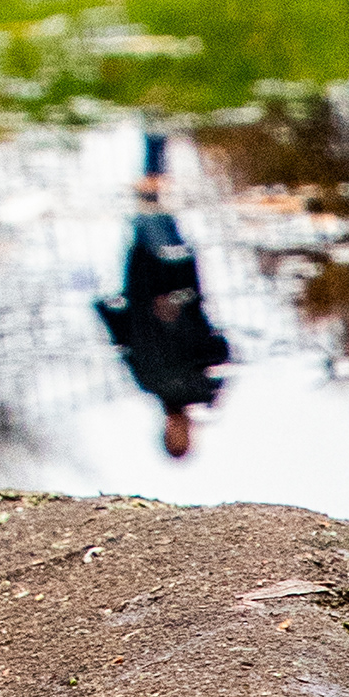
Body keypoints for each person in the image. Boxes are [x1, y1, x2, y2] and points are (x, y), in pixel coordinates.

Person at [97, 136, 233, 459]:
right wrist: (178, 310)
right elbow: (219, 346)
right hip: (174, 274)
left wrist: (107, 310)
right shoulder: (205, 389)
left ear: (164, 431)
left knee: (149, 205)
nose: (177, 429)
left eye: (172, 436)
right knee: (150, 207)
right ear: (190, 434)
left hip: (141, 273)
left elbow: (124, 341)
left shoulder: (147, 383)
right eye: (181, 436)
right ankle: (156, 138)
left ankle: (155, 141)